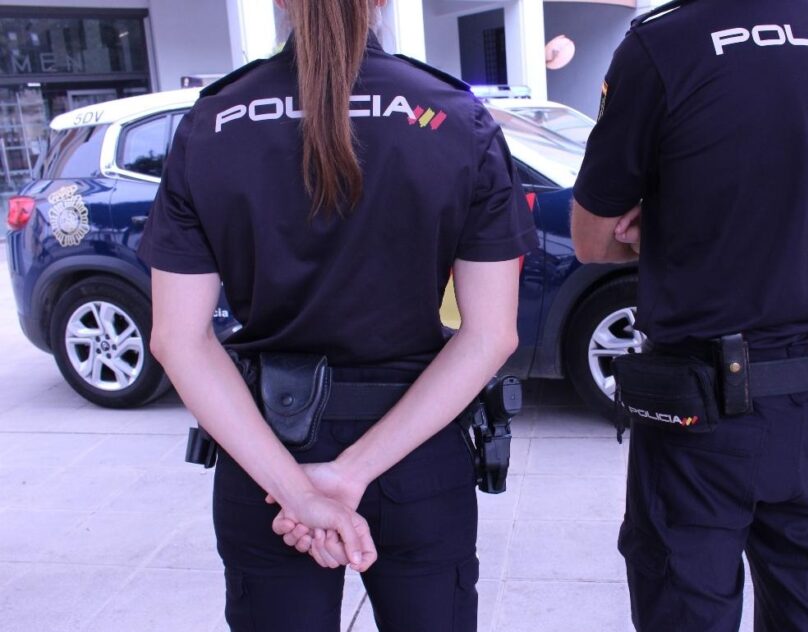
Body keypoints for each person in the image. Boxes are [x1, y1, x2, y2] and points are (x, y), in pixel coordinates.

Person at [138, 0, 536, 629]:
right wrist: (350, 475)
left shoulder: (212, 122)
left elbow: (178, 340)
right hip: (417, 455)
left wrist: (298, 490)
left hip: (265, 458)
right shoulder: (455, 117)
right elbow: (490, 335)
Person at [571, 0, 808, 629]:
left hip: (702, 414)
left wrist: (662, 225)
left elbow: (591, 238)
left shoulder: (665, 42)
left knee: (686, 606)